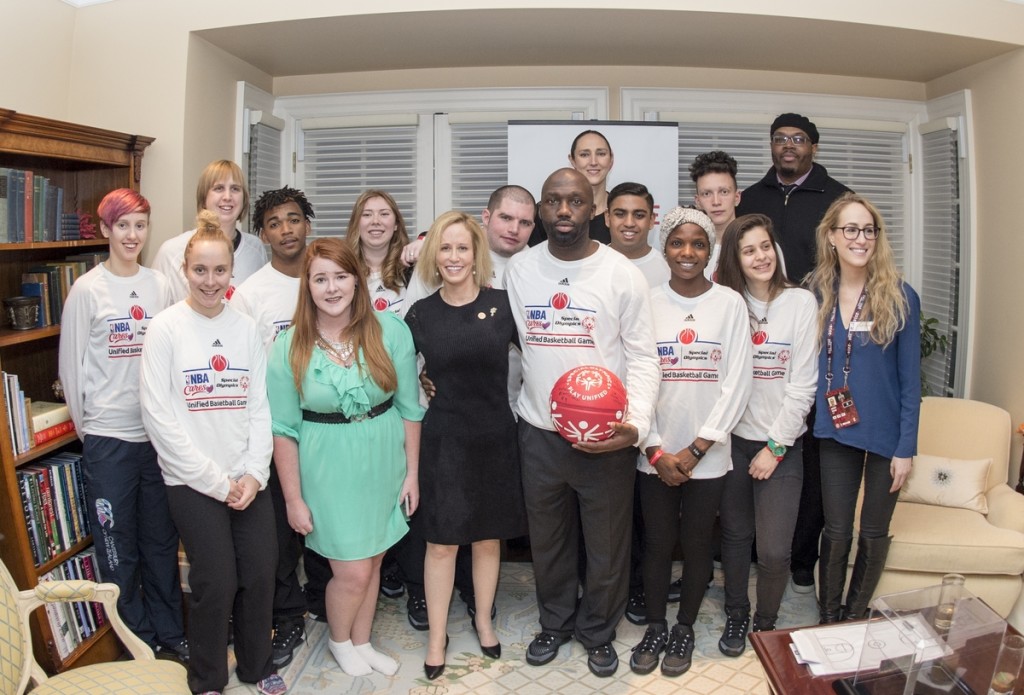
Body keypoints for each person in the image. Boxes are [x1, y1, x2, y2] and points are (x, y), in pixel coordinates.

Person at [505, 167, 659, 678]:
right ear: (542, 211)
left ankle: (597, 631)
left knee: (607, 543)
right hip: (540, 434)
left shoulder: (622, 274)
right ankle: (555, 622)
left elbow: (642, 357)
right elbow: (503, 346)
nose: (564, 211)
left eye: (575, 201)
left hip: (607, 439)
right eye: (553, 201)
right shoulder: (520, 270)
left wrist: (634, 427)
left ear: (594, 207)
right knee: (547, 539)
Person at [139, 211, 285, 695]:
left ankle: (256, 666)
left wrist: (253, 475)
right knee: (216, 583)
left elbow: (259, 408)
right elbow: (160, 418)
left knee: (260, 574)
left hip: (246, 478)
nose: (210, 280)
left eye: (219, 271)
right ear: (185, 270)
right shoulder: (165, 329)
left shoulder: (245, 328)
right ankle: (207, 678)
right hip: (192, 482)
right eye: (200, 270)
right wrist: (217, 482)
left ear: (231, 274)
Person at [266, 238, 424, 677]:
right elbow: (283, 431)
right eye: (320, 279)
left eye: (340, 276)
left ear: (357, 279)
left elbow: (411, 409)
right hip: (327, 466)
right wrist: (294, 499)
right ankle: (339, 641)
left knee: (373, 557)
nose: (331, 288)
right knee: (352, 570)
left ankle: (361, 640)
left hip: (383, 458)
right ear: (308, 286)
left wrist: (412, 473)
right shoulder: (288, 348)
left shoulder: (391, 330)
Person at [395, 185, 536, 632]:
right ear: (434, 256)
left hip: (496, 437)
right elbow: (400, 373)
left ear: (477, 254)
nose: (454, 256)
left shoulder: (503, 307)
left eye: (462, 248)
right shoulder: (418, 313)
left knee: (488, 540)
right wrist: (420, 375)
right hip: (444, 443)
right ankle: (437, 638)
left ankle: (484, 623)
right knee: (440, 543)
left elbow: (540, 359)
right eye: (446, 248)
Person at [58, 189, 187, 662]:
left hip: (156, 439)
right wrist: (89, 432)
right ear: (107, 229)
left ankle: (173, 635)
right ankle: (139, 643)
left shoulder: (160, 286)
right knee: (118, 548)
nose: (133, 235)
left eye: (140, 225)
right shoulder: (87, 290)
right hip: (108, 441)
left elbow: (174, 357)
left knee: (160, 543)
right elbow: (72, 372)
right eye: (124, 225)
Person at [627, 206, 752, 678]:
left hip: (709, 457)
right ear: (665, 247)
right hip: (654, 455)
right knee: (657, 545)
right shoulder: (647, 301)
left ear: (710, 250)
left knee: (698, 546)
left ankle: (684, 627)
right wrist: (656, 450)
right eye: (677, 242)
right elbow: (636, 379)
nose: (687, 252)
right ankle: (656, 626)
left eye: (698, 243)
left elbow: (736, 383)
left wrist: (697, 449)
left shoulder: (730, 304)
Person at [736, 114, 852, 596]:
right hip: (761, 334)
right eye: (780, 139)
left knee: (806, 451)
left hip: (814, 332)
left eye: (798, 140)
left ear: (814, 148)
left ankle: (800, 555)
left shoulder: (836, 197)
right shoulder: (754, 196)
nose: (788, 147)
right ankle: (750, 554)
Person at [229, 186, 330, 669]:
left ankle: (330, 600)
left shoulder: (326, 278)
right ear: (262, 233)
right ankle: (288, 614)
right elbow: (246, 367)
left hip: (328, 424)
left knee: (326, 517)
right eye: (274, 222)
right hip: (277, 427)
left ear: (307, 224)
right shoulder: (250, 294)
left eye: (294, 219)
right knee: (281, 532)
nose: (286, 229)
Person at [807, 193, 920, 623]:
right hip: (836, 430)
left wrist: (905, 449)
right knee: (836, 531)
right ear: (832, 237)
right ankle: (829, 616)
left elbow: (912, 382)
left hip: (888, 437)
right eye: (850, 229)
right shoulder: (814, 293)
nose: (860, 238)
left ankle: (854, 618)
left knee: (872, 531)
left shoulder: (900, 296)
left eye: (868, 229)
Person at [714, 214, 818, 655]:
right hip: (732, 442)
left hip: (782, 444)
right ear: (736, 258)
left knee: (774, 550)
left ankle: (766, 620)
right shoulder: (726, 302)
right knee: (735, 538)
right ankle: (737, 614)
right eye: (749, 249)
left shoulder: (800, 303)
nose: (761, 256)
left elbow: (803, 385)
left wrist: (775, 448)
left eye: (765, 246)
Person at [152, 160, 267, 301]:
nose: (227, 197)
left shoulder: (256, 249)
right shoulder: (171, 252)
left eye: (235, 189)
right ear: (203, 197)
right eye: (218, 188)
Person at [690, 150, 786, 280]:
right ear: (698, 202)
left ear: (737, 197)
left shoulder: (765, 247)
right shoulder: (690, 251)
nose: (716, 202)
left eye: (724, 192)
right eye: (707, 194)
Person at [528, 130, 615, 246]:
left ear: (611, 159)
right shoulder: (545, 211)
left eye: (601, 154)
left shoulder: (621, 213)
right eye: (584, 154)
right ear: (572, 160)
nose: (593, 162)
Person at [346, 189, 411, 314]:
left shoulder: (411, 270)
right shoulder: (342, 269)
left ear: (396, 224)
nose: (375, 221)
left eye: (384, 214)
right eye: (367, 215)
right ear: (356, 224)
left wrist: (424, 240)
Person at [606, 181, 669, 287]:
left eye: (639, 215)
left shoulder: (669, 268)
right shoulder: (591, 265)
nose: (629, 223)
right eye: (620, 214)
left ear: (652, 220)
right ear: (607, 218)